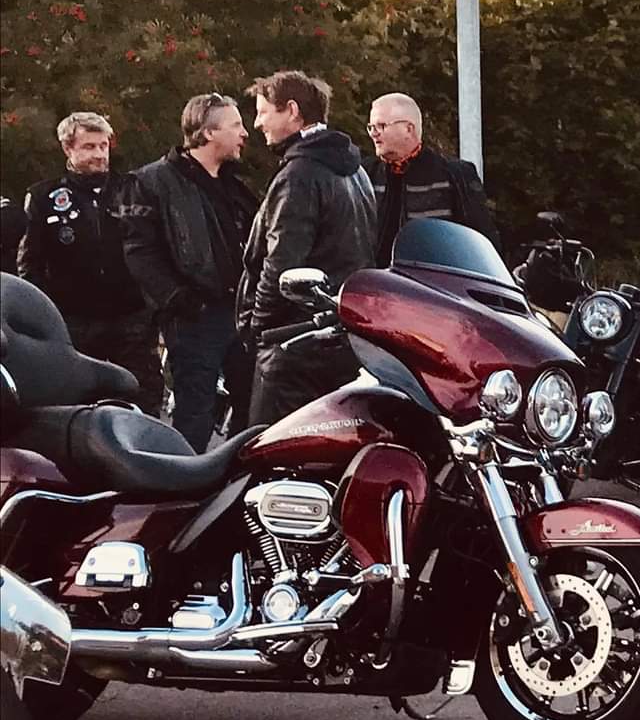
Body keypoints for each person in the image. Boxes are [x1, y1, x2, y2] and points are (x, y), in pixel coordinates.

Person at [123, 93, 260, 449]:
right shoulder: (152, 181)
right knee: (194, 416)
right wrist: (179, 300)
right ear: (208, 132)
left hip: (240, 312)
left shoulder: (235, 185)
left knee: (253, 411)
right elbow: (139, 252)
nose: (245, 133)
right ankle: (184, 481)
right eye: (235, 125)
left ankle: (237, 479)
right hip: (194, 317)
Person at [239, 71, 376, 426]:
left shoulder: (300, 174)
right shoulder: (355, 172)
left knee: (268, 448)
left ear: (292, 111)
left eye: (263, 112)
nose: (257, 123)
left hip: (293, 342)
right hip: (339, 334)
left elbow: (281, 263)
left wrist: (259, 326)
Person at [18, 112, 164, 414]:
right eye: (89, 147)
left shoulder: (132, 188)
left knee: (143, 398)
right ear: (68, 148)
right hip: (75, 321)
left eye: (103, 146)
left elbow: (155, 249)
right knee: (75, 404)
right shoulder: (44, 197)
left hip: (132, 317)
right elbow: (30, 264)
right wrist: (45, 318)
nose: (99, 154)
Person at [366, 92, 499, 263]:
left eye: (381, 126)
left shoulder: (453, 174)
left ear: (408, 129)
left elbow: (482, 243)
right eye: (371, 127)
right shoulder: (365, 173)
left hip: (432, 277)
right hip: (374, 278)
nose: (374, 134)